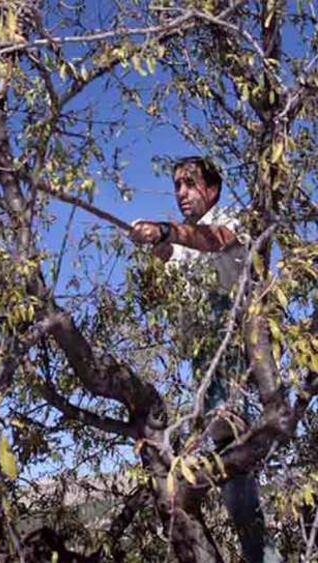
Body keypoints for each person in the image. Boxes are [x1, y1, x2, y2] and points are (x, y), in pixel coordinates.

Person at [130, 156, 281, 563]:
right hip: (204, 372)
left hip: (235, 366)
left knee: (236, 476)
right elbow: (172, 259)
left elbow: (214, 240)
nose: (181, 193)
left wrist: (165, 230)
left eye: (189, 184)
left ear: (211, 189)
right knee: (237, 491)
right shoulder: (185, 242)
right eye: (177, 185)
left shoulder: (230, 221)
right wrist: (158, 245)